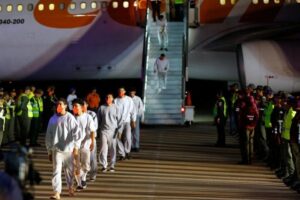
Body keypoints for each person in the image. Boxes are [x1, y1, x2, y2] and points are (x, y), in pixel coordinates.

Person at [45, 98, 81, 199]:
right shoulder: (52, 119)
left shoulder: (70, 118)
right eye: (57, 105)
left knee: (69, 171)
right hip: (56, 150)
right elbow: (49, 136)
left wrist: (76, 147)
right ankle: (57, 192)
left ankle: (70, 187)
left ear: (65, 106)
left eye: (60, 105)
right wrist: (49, 151)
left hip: (68, 150)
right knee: (56, 171)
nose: (58, 107)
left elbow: (77, 134)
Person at [72, 98, 96, 191]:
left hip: (85, 144)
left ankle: (83, 178)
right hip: (74, 146)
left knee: (86, 166)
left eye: (76, 106)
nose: (74, 108)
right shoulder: (71, 118)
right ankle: (79, 184)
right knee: (76, 166)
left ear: (81, 107)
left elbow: (93, 130)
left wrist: (92, 142)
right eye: (73, 106)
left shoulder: (88, 117)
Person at [98, 94, 120, 172]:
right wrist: (98, 130)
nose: (108, 98)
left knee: (112, 148)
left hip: (113, 131)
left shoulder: (116, 107)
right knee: (103, 148)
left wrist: (119, 131)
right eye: (107, 97)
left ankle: (112, 165)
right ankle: (104, 165)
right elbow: (99, 119)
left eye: (110, 97)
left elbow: (119, 120)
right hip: (103, 130)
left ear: (112, 99)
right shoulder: (101, 107)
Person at [114, 88, 136, 160]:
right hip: (118, 122)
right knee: (118, 138)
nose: (120, 92)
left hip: (127, 121)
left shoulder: (129, 99)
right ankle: (122, 154)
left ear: (124, 92)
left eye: (122, 91)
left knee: (128, 137)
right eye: (119, 91)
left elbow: (133, 110)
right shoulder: (116, 100)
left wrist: (133, 120)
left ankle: (127, 152)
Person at [83, 100, 98, 181]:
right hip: (81, 141)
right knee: (82, 159)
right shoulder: (77, 114)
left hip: (90, 139)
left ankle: (93, 174)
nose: (82, 106)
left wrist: (92, 140)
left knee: (92, 158)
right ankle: (82, 177)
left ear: (87, 105)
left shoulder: (92, 114)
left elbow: (94, 128)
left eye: (84, 104)